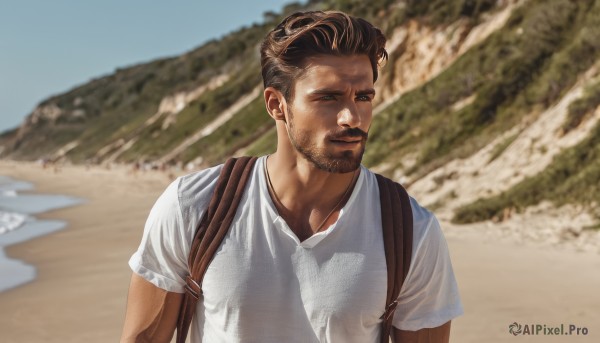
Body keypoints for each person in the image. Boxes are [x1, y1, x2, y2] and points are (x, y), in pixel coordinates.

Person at [121, 10, 463, 343]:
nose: (352, 117)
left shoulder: (409, 229)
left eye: (363, 97)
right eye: (327, 98)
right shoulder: (194, 205)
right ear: (276, 104)